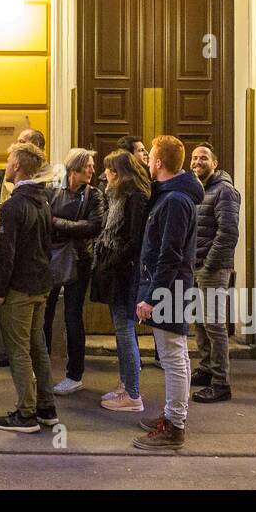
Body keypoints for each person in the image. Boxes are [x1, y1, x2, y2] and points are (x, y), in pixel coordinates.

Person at [132, 134, 203, 451]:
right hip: (173, 286)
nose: (147, 163)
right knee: (177, 355)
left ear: (159, 162)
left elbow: (170, 254)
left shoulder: (175, 200)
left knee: (173, 357)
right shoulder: (171, 195)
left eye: (150, 159)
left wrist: (152, 296)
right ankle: (174, 414)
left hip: (170, 289)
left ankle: (175, 426)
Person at [0, 140, 58, 433]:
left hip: (19, 287)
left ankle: (26, 413)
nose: (6, 167)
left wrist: (1, 289)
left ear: (17, 166)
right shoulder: (43, 201)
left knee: (18, 349)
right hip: (41, 283)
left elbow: (6, 253)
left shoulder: (13, 205)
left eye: (8, 162)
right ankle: (47, 407)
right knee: (37, 346)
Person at [90, 149, 150, 412]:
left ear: (117, 172)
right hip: (118, 270)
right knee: (122, 330)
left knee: (125, 331)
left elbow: (134, 240)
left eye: (107, 169)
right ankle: (126, 384)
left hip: (124, 273)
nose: (104, 174)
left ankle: (133, 394)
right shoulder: (118, 195)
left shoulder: (134, 197)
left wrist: (113, 259)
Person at [44, 148, 105, 397]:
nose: (92, 170)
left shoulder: (94, 196)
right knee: (44, 313)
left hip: (79, 260)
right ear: (74, 169)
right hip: (52, 257)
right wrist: (71, 227)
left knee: (72, 316)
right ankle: (42, 366)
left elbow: (93, 226)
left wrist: (57, 223)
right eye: (88, 166)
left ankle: (74, 374)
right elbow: (43, 217)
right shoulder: (52, 190)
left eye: (92, 166)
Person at [189, 142, 240, 404]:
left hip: (213, 267)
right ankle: (207, 368)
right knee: (200, 321)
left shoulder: (224, 191)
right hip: (196, 265)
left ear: (215, 163)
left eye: (204, 158)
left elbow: (228, 232)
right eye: (194, 157)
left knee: (215, 324)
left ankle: (221, 383)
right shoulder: (197, 189)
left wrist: (208, 265)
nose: (197, 161)